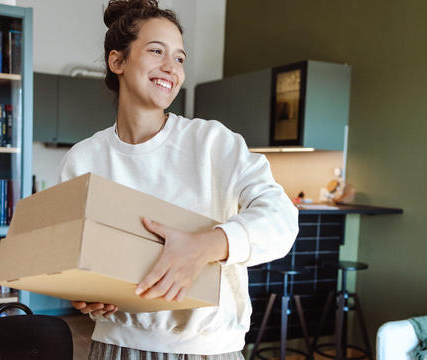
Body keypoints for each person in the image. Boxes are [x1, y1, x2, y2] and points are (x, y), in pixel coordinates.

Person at [58, 0, 299, 358]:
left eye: (180, 58)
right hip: (113, 347)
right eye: (157, 51)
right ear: (117, 61)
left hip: (208, 351)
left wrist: (205, 247)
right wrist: (84, 292)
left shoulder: (213, 143)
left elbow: (281, 220)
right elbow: (71, 257)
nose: (171, 67)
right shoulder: (83, 159)